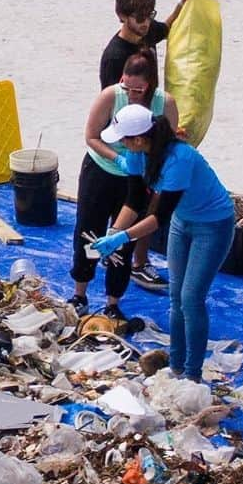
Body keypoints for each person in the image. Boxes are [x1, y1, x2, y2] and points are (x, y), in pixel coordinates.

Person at [91, 107, 235, 382]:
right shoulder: (135, 154)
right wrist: (114, 231)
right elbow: (134, 202)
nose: (120, 143)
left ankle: (193, 375)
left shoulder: (179, 159)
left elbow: (158, 216)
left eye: (124, 138)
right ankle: (176, 366)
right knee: (175, 297)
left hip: (213, 224)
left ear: (139, 138)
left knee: (191, 298)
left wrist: (123, 238)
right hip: (183, 222)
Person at [69, 50, 179, 318]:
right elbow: (92, 136)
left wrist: (145, 175)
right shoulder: (111, 96)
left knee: (124, 241)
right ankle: (79, 293)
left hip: (137, 179)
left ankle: (113, 302)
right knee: (89, 230)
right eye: (127, 88)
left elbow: (168, 145)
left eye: (138, 91)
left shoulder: (164, 105)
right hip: (103, 170)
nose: (131, 95)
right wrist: (119, 159)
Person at [99, 0, 196, 90]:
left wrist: (183, 2)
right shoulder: (114, 57)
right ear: (122, 16)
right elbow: (110, 100)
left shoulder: (148, 30)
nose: (146, 22)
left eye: (150, 15)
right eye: (140, 17)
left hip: (153, 104)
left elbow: (167, 28)